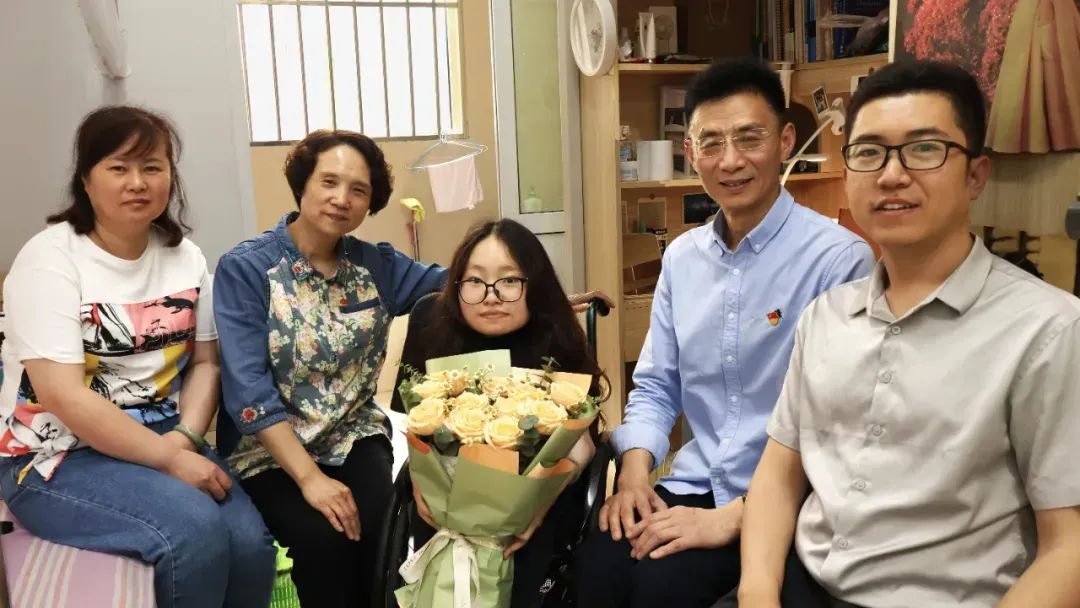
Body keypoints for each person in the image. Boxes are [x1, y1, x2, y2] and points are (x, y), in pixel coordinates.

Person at [738, 60, 1080, 608]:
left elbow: (1070, 546)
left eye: (924, 149)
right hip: (804, 583)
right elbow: (779, 474)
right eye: (869, 152)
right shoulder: (826, 315)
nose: (892, 175)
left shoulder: (1049, 330)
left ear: (976, 175)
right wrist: (757, 593)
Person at [574, 57, 876, 607]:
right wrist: (635, 476)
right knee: (596, 566)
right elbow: (657, 386)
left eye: (749, 138)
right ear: (691, 153)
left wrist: (733, 519)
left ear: (785, 142)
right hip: (692, 482)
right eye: (711, 143)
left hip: (786, 503)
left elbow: (840, 430)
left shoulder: (838, 261)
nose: (730, 160)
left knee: (660, 587)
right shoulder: (683, 258)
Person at [0, 106, 276, 608]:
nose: (137, 183)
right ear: (86, 180)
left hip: (165, 432)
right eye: (118, 168)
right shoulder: (49, 260)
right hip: (56, 454)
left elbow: (206, 364)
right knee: (193, 533)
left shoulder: (185, 256)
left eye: (152, 167)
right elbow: (62, 395)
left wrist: (185, 438)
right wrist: (168, 460)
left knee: (251, 548)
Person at [213, 130, 446, 607]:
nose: (342, 199)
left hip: (352, 433)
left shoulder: (377, 266)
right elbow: (247, 391)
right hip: (269, 449)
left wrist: (538, 293)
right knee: (323, 539)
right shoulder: (247, 269)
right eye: (329, 182)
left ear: (370, 202)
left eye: (358, 189)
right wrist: (310, 480)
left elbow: (462, 282)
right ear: (303, 184)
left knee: (381, 529)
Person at [391, 218, 605, 608]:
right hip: (443, 508)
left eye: (509, 281)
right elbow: (414, 424)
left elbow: (583, 441)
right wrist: (422, 487)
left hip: (540, 507)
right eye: (475, 281)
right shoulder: (430, 323)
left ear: (534, 286)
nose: (491, 296)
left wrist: (538, 503)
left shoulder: (554, 335)